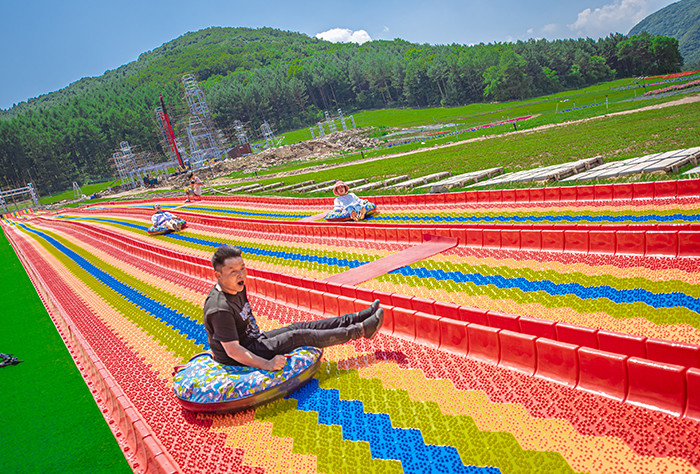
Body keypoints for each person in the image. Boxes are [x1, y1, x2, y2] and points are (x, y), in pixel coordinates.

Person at [203, 245, 383, 370]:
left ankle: (358, 317)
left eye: (242, 268)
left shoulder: (236, 286)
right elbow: (233, 351)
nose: (241, 274)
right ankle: (360, 330)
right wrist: (267, 364)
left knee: (299, 326)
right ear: (218, 275)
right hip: (241, 355)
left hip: (253, 341)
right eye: (233, 271)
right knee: (297, 336)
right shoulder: (220, 309)